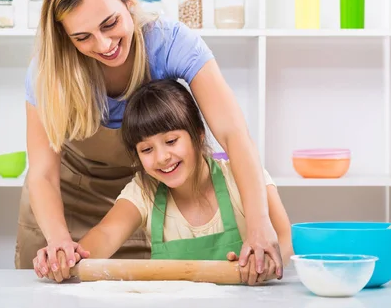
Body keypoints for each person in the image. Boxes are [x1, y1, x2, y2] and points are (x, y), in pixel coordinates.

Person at [16, 0, 284, 279]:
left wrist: (258, 225)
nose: (104, 45)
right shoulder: (49, 73)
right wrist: (58, 238)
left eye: (110, 23)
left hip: (142, 192)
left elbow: (232, 134)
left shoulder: (170, 43)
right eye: (82, 37)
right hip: (64, 197)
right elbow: (43, 172)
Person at [34, 79, 293, 285]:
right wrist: (67, 257)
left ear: (198, 136)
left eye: (171, 141)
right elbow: (105, 234)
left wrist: (266, 265)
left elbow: (285, 238)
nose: (162, 158)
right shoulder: (144, 191)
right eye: (146, 150)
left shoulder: (241, 176)